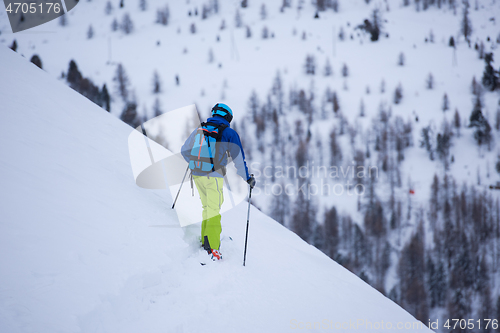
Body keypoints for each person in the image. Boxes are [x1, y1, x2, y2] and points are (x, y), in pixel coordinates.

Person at [181, 103, 256, 261]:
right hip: (213, 176)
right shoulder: (229, 133)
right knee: (214, 210)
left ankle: (206, 240)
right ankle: (213, 248)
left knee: (207, 207)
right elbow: (238, 160)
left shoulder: (200, 129)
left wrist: (196, 163)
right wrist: (248, 178)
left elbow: (184, 150)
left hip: (196, 174)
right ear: (228, 117)